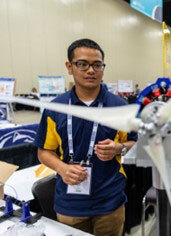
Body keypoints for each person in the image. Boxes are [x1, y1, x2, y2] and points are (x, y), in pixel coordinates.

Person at [35, 38, 136, 236]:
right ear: (69, 66)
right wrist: (63, 168)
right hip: (70, 205)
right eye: (82, 64)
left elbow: (134, 141)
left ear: (103, 68)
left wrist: (119, 148)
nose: (91, 70)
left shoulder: (120, 107)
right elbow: (44, 151)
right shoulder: (55, 109)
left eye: (97, 65)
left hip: (110, 202)